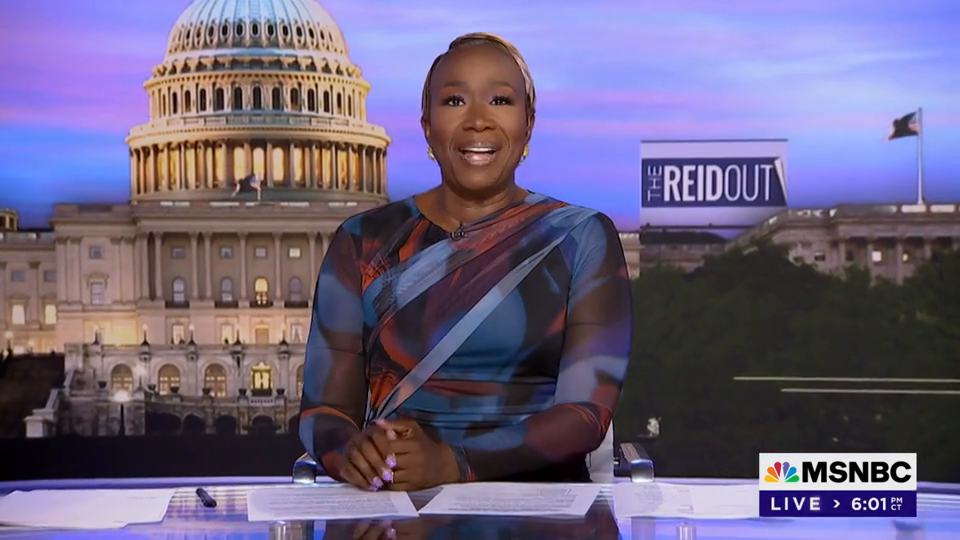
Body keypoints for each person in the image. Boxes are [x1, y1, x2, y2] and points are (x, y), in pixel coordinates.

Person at [299, 32, 633, 492]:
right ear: (427, 125)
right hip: (390, 505)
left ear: (528, 124)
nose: (478, 121)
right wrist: (353, 453)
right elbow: (323, 411)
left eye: (500, 100)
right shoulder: (362, 242)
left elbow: (585, 415)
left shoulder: (581, 237)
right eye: (455, 101)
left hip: (540, 508)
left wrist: (454, 463)